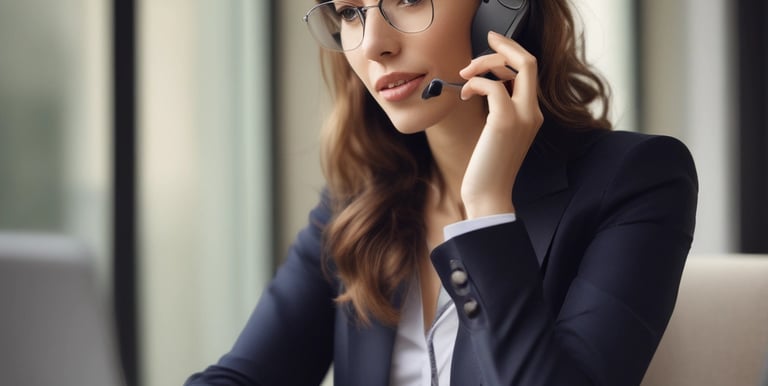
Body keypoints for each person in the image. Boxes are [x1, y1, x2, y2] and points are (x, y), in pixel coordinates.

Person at [186, 0, 698, 385]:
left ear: (499, 7)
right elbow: (243, 377)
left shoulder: (640, 180)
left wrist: (487, 214)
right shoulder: (356, 204)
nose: (372, 45)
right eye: (348, 12)